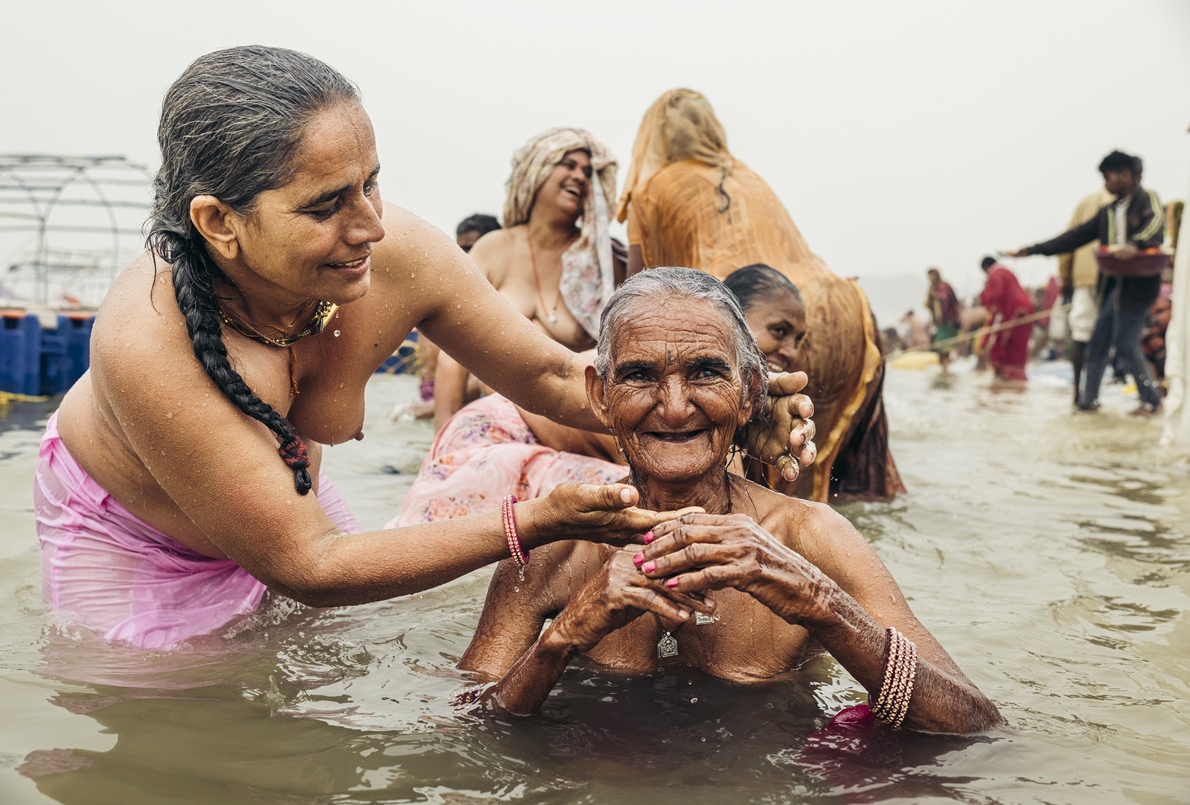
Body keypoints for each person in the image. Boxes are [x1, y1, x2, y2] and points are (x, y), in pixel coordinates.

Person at [33, 46, 816, 650]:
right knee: (180, 733)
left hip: (291, 508)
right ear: (218, 222)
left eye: (372, 182)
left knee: (332, 671)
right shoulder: (147, 341)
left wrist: (738, 412)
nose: (372, 224)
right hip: (136, 544)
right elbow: (309, 567)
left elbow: (549, 372)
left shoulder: (393, 253)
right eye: (327, 205)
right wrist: (536, 518)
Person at [457, 268, 1002, 734]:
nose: (674, 408)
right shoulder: (556, 547)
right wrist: (565, 635)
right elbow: (470, 731)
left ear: (747, 394)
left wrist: (816, 599)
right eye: (640, 375)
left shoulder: (806, 538)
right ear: (600, 396)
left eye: (705, 373)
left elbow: (976, 725)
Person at [617, 88, 902, 503]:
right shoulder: (749, 175)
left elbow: (634, 293)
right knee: (814, 466)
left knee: (742, 475)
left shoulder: (654, 188)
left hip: (757, 314)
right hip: (841, 307)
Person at [389, 263, 822, 527]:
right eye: (778, 331)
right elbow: (535, 378)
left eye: (707, 371)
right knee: (624, 513)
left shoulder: (743, 407)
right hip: (499, 434)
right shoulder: (644, 346)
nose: (789, 349)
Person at [433, 128, 625, 430]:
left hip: (575, 428)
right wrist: (440, 450)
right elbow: (450, 362)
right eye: (569, 165)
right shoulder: (494, 248)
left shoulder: (604, 263)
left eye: (588, 172)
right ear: (538, 169)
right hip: (498, 426)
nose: (579, 176)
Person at [1005, 150, 1166, 414]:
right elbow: (1073, 237)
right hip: (1112, 285)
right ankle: (1088, 400)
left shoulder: (1148, 199)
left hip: (1139, 285)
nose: (1106, 184)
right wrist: (1032, 249)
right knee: (1099, 341)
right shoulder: (1108, 212)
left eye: (1108, 177)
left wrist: (1134, 245)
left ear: (1125, 175)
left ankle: (1151, 400)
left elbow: (1156, 226)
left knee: (1125, 343)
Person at [409, 214, 504, 419]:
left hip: (464, 408)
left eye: (470, 247)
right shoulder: (442, 294)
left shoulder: (499, 305)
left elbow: (491, 377)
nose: (464, 256)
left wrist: (434, 408)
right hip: (431, 400)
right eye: (460, 248)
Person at [1055, 189, 1115, 400]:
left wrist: (1066, 278)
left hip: (1088, 276)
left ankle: (1078, 394)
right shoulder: (1124, 201)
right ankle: (1090, 395)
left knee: (1082, 334)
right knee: (1106, 336)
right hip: (1114, 277)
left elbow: (1068, 241)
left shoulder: (1088, 203)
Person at [978, 256, 1034, 383]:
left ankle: (1008, 381)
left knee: (1005, 347)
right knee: (1016, 346)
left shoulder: (996, 275)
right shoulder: (1007, 272)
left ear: (986, 268)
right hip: (1022, 311)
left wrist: (991, 306)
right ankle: (1013, 383)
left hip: (1012, 313)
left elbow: (996, 297)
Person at [925, 268, 962, 373]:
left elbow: (944, 299)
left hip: (948, 322)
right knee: (940, 350)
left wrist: (936, 295)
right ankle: (944, 371)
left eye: (932, 276)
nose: (930, 279)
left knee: (944, 349)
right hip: (940, 324)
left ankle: (946, 371)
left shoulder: (943, 287)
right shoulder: (933, 288)